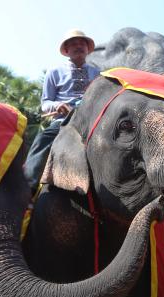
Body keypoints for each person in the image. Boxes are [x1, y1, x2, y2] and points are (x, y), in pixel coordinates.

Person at [23, 29, 100, 192]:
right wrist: (57, 106)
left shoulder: (98, 74)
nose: (78, 46)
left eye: (82, 43)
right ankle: (28, 188)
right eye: (73, 44)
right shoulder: (54, 72)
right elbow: (45, 104)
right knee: (44, 138)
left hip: (92, 119)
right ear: (67, 50)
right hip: (64, 120)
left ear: (87, 49)